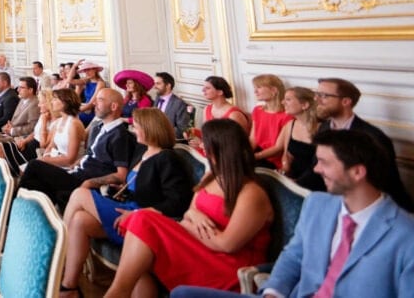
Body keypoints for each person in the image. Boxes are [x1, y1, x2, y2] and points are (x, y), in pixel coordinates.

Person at [170, 130, 414, 298]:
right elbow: (294, 256)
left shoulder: (405, 234)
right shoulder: (318, 204)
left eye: (324, 163)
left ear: (358, 172)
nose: (316, 169)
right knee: (182, 293)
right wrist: (273, 291)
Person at [104, 119, 273, 297]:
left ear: (220, 149)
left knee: (142, 221)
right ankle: (118, 292)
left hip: (228, 267)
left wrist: (189, 223)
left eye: (205, 144)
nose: (203, 149)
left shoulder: (252, 193)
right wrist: (193, 215)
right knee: (141, 235)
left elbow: (226, 244)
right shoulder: (210, 177)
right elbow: (188, 214)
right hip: (198, 248)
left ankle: (116, 293)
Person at [60, 108, 193, 295]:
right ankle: (69, 285)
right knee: (80, 220)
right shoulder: (142, 153)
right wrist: (122, 192)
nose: (133, 130)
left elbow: (178, 201)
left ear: (149, 129)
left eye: (136, 127)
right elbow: (136, 186)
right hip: (127, 208)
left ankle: (59, 251)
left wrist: (139, 214)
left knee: (80, 194)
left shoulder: (167, 158)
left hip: (142, 218)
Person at [20, 88, 136, 209]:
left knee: (34, 165)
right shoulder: (99, 127)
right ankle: (28, 217)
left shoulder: (120, 135)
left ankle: (12, 209)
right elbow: (89, 154)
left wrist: (90, 183)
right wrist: (74, 165)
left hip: (84, 180)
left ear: (113, 106)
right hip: (76, 173)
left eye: (100, 100)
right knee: (37, 184)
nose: (94, 103)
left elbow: (121, 175)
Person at [315, 77, 413, 211]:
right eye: (317, 94)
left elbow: (385, 184)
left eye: (324, 96)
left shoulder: (372, 137)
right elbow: (316, 168)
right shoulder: (324, 128)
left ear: (346, 101)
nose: (317, 99)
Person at [3, 88, 84, 177]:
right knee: (24, 169)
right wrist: (46, 156)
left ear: (65, 102)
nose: (52, 102)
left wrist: (43, 160)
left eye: (55, 99)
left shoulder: (74, 124)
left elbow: (70, 159)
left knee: (31, 166)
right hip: (55, 158)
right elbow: (50, 146)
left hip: (68, 167)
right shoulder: (59, 121)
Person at [270, 86, 323, 191]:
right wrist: (283, 173)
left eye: (288, 99)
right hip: (294, 179)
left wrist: (297, 183)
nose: (282, 102)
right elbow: (287, 155)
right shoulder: (290, 125)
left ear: (305, 105)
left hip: (316, 181)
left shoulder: (323, 128)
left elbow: (322, 165)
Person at [0, 76, 40, 153]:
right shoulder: (23, 99)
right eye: (18, 87)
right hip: (8, 132)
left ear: (30, 90)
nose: (18, 90)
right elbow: (14, 119)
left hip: (18, 137)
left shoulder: (35, 104)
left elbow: (32, 128)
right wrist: (8, 126)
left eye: (22, 88)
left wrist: (12, 130)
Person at [188, 76, 250, 151]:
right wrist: (194, 133)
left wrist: (203, 144)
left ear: (220, 92)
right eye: (204, 87)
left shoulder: (234, 114)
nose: (203, 90)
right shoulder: (207, 109)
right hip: (210, 151)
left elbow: (238, 143)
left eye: (207, 88)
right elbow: (208, 134)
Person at [250, 74, 290, 169]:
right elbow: (253, 139)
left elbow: (278, 148)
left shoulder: (287, 115)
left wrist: (253, 157)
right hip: (258, 153)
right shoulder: (257, 110)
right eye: (255, 88)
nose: (255, 91)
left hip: (275, 159)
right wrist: (245, 154)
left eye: (259, 87)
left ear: (274, 90)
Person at [152, 72, 192, 139]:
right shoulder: (157, 98)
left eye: (158, 84)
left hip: (168, 140)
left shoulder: (179, 104)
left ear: (168, 85)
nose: (154, 87)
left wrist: (161, 133)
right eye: (154, 83)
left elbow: (182, 129)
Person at [75, 61, 107, 126]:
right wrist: (74, 66)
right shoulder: (86, 82)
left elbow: (92, 103)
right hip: (85, 109)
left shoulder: (100, 83)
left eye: (88, 70)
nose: (87, 72)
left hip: (94, 111)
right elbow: (70, 81)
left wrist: (75, 110)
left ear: (95, 70)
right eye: (85, 71)